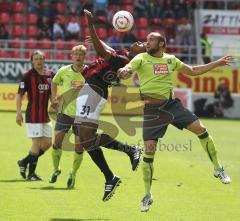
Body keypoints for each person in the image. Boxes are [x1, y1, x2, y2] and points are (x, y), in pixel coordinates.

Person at [118, 32, 234, 212]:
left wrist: (217, 63)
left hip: (171, 106)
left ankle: (218, 169)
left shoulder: (170, 60)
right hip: (152, 111)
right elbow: (127, 71)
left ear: (161, 43)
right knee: (149, 152)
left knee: (201, 129)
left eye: (151, 40)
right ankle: (147, 195)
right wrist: (123, 71)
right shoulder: (140, 58)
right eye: (147, 40)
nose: (147, 43)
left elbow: (193, 71)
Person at [71, 9, 146, 201]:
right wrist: (99, 39)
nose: (140, 42)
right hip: (91, 90)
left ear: (142, 55)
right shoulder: (123, 54)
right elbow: (108, 51)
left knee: (86, 138)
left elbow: (102, 52)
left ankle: (122, 162)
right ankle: (113, 172)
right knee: (83, 137)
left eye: (144, 45)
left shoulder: (127, 60)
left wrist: (90, 25)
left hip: (94, 92)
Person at [49, 45, 87, 188]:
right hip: (64, 112)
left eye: (81, 54)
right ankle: (56, 169)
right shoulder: (63, 71)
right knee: (57, 142)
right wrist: (54, 98)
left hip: (82, 115)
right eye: (76, 54)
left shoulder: (89, 72)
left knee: (79, 147)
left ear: (85, 57)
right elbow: (53, 82)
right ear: (71, 56)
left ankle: (73, 173)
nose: (78, 56)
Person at [16, 50, 54, 181]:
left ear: (44, 59)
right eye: (36, 59)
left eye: (41, 58)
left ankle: (24, 161)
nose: (38, 61)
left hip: (45, 116)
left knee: (48, 143)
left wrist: (55, 102)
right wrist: (18, 112)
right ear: (32, 61)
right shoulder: (27, 76)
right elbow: (19, 95)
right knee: (36, 144)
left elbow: (52, 93)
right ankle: (31, 174)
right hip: (33, 115)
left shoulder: (50, 75)